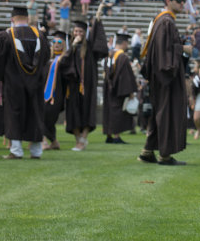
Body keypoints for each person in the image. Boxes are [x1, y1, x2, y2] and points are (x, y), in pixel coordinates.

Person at [138, 0, 190, 166]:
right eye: (178, 0)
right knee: (167, 113)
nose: (182, 3)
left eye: (184, 0)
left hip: (159, 77)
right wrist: (183, 48)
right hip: (166, 77)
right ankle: (165, 155)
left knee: (159, 113)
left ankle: (147, 151)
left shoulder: (162, 21)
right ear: (168, 1)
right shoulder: (166, 21)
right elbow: (164, 52)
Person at [0, 6, 50, 159]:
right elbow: (45, 59)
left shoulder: (6, 36)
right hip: (36, 84)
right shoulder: (40, 36)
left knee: (14, 113)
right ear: (28, 18)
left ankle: (16, 151)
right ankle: (36, 151)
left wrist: (5, 78)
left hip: (13, 83)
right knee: (35, 112)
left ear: (12, 19)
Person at [63, 18, 108, 151]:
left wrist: (98, 22)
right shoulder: (70, 47)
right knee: (73, 113)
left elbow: (101, 47)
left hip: (87, 86)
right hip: (72, 86)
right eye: (76, 31)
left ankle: (82, 139)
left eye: (81, 31)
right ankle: (79, 140)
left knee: (87, 112)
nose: (78, 33)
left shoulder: (90, 48)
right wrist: (73, 46)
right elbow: (64, 62)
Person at [104, 32, 138, 144]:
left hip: (108, 87)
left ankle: (109, 135)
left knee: (109, 111)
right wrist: (130, 91)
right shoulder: (122, 57)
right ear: (123, 43)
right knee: (117, 112)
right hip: (118, 89)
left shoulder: (110, 54)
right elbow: (126, 75)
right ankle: (116, 136)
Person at [40, 30, 69, 150]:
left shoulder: (66, 59)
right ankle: (51, 141)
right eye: (54, 42)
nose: (56, 44)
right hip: (43, 93)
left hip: (57, 95)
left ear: (64, 45)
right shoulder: (47, 58)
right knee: (43, 115)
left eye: (59, 42)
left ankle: (44, 140)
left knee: (49, 116)